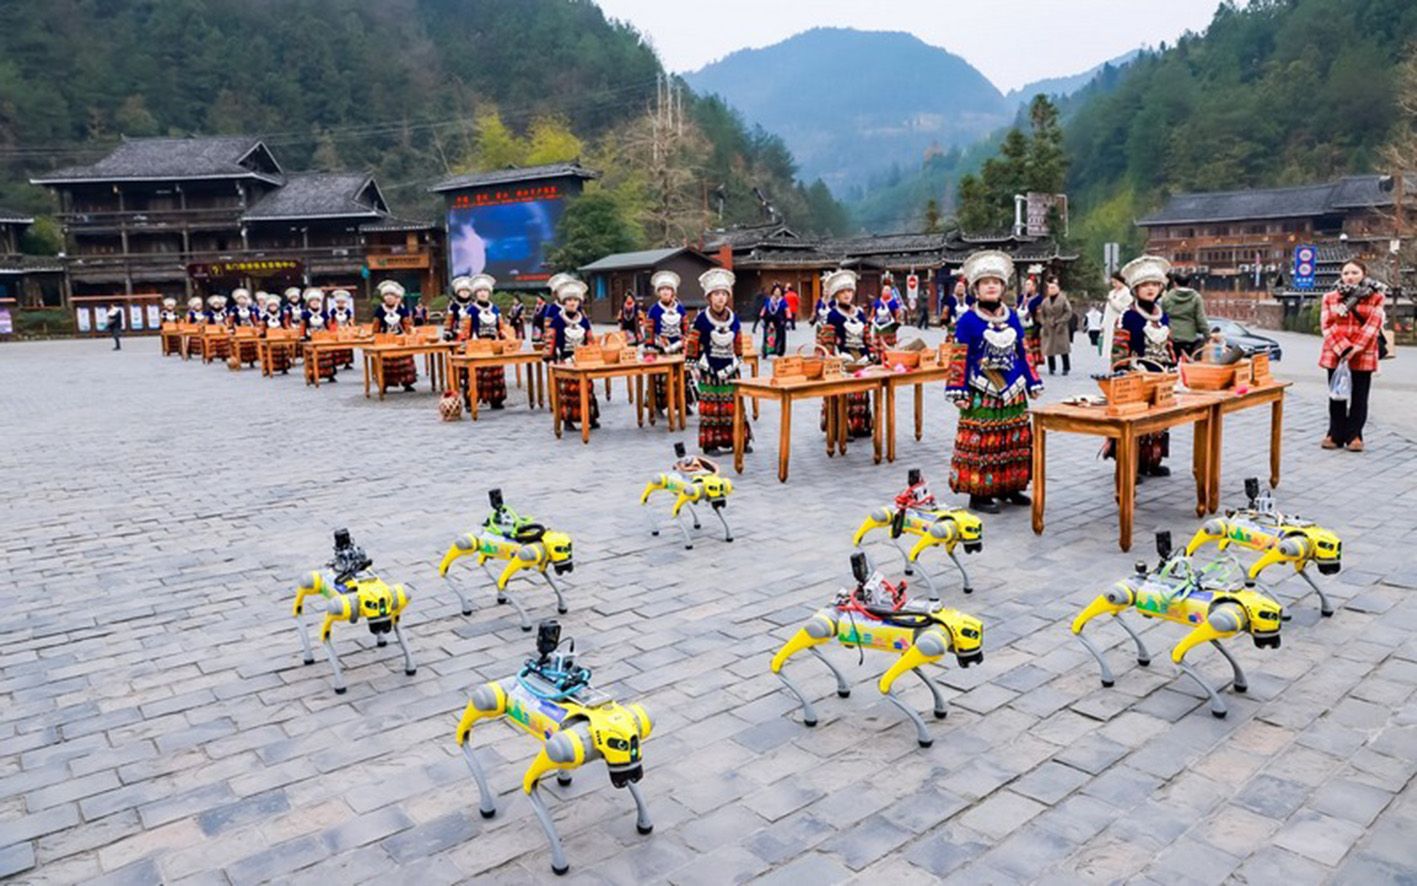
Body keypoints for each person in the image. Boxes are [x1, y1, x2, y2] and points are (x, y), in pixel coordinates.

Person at [946, 250, 1041, 514]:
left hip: (1013, 389)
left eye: (996, 282)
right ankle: (979, 493)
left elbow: (1022, 350)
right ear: (976, 288)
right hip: (982, 390)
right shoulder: (968, 320)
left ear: (1003, 287)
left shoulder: (1011, 316)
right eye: (985, 282)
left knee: (1013, 439)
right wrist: (957, 390)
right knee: (983, 442)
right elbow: (959, 357)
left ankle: (1009, 486)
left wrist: (1032, 380)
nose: (991, 286)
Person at [1113, 255, 1176, 479]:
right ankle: (1130, 465)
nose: (1151, 289)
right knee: (1135, 423)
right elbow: (1119, 351)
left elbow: (1169, 346)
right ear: (1136, 288)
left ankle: (1152, 460)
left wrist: (1173, 367)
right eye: (1145, 285)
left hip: (1160, 378)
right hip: (1135, 377)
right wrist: (1121, 374)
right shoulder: (1128, 316)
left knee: (1159, 422)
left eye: (1155, 284)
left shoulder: (1163, 316)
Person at [1320, 258, 1386, 452]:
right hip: (1336, 352)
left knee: (1359, 396)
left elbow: (1373, 324)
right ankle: (1335, 434)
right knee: (1336, 394)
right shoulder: (1330, 297)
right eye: (1346, 273)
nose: (1350, 277)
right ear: (1341, 276)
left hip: (1363, 352)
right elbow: (1327, 325)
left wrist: (1356, 347)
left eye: (1354, 273)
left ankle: (1355, 435)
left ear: (1363, 274)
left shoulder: (1376, 297)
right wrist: (1344, 348)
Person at [687, 268, 751, 454]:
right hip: (709, 370)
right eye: (716, 294)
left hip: (730, 369)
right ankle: (711, 443)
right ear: (709, 297)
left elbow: (737, 341)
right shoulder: (701, 319)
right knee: (712, 407)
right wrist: (692, 365)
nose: (720, 298)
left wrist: (739, 358)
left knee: (733, 405)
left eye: (724, 294)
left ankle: (738, 439)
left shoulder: (734, 318)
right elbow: (693, 342)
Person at [817, 268, 878, 439]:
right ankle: (842, 427)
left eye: (849, 291)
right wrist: (831, 358)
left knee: (862, 392)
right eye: (843, 291)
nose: (847, 295)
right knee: (844, 394)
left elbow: (867, 337)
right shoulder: (832, 315)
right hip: (842, 357)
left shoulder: (860, 314)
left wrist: (872, 354)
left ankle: (861, 426)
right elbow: (827, 341)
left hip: (861, 358)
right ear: (836, 294)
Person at [549, 277, 599, 430]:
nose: (572, 303)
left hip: (583, 360)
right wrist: (551, 358)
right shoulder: (557, 320)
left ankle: (590, 417)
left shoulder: (583, 320)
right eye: (569, 300)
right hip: (565, 360)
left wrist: (593, 354)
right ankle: (567, 420)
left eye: (575, 300)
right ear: (564, 302)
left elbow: (590, 339)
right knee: (568, 391)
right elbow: (550, 340)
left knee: (587, 389)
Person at [645, 270, 688, 414]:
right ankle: (659, 404)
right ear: (658, 292)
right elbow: (649, 329)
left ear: (673, 292)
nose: (665, 292)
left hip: (678, 348)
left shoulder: (680, 308)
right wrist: (649, 345)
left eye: (668, 289)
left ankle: (682, 402)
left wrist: (686, 342)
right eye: (662, 289)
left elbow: (685, 328)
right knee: (660, 378)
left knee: (681, 377)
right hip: (660, 348)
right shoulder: (654, 310)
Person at [466, 273, 507, 410]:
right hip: (477, 345)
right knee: (477, 375)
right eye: (480, 291)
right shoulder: (471, 310)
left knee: (496, 373)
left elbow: (501, 328)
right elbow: (466, 330)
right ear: (475, 294)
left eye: (485, 291)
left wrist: (505, 338)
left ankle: (496, 400)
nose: (483, 293)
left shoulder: (495, 309)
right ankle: (472, 400)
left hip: (494, 346)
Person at [371, 280, 417, 392]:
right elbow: (376, 326)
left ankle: (407, 383)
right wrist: (376, 337)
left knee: (404, 360)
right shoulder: (380, 310)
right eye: (386, 295)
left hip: (400, 338)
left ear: (396, 297)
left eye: (391, 295)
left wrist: (409, 335)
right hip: (385, 340)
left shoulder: (401, 309)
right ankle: (384, 384)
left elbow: (407, 324)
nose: (389, 297)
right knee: (386, 363)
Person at [1161, 269, 1208, 359]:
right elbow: (1201, 319)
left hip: (1171, 338)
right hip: (1190, 338)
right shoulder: (1196, 298)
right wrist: (1208, 336)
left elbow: (1162, 317)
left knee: (1172, 362)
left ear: (1175, 283)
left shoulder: (1167, 297)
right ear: (1189, 283)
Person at [1037, 274, 1073, 376]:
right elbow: (1041, 314)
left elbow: (1068, 312)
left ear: (1058, 288)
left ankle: (1066, 367)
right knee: (1049, 349)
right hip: (1049, 326)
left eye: (1053, 288)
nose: (1051, 290)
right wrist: (1044, 323)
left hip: (1060, 326)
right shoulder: (1045, 301)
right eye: (1050, 288)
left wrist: (1062, 321)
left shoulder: (1063, 299)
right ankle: (1051, 368)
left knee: (1063, 348)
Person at [327, 289, 357, 369]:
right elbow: (331, 321)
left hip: (346, 330)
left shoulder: (348, 311)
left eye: (342, 302)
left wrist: (349, 326)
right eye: (339, 302)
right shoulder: (333, 311)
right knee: (336, 347)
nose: (341, 304)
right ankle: (335, 363)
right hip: (336, 330)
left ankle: (347, 362)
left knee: (347, 347)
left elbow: (350, 320)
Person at [756, 283, 788, 357]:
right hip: (768, 321)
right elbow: (764, 309)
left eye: (779, 291)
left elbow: (787, 310)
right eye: (776, 291)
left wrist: (788, 320)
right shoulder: (768, 300)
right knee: (767, 336)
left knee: (780, 336)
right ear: (773, 292)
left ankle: (779, 351)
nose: (777, 293)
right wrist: (761, 318)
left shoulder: (783, 301)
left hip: (779, 322)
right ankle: (765, 351)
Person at [871, 281, 904, 348]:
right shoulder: (877, 302)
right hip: (878, 327)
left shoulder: (893, 303)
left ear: (890, 292)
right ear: (882, 291)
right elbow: (873, 313)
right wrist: (871, 320)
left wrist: (897, 321)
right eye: (885, 290)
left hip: (890, 327)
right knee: (878, 344)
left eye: (888, 290)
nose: (886, 292)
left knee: (889, 345)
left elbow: (897, 313)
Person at [446, 276, 475, 341]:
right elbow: (449, 320)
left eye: (467, 291)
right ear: (458, 292)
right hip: (457, 334)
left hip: (472, 334)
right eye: (462, 290)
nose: (465, 292)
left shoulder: (474, 305)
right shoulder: (453, 306)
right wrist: (447, 331)